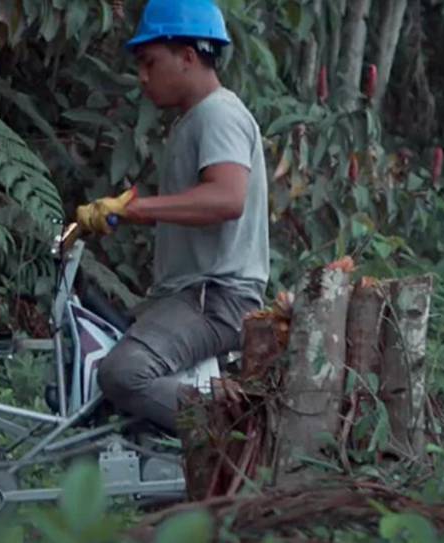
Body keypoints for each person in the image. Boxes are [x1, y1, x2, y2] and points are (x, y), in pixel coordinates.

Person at [75, 0, 270, 433]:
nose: (142, 76)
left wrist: (139, 208)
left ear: (187, 56)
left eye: (149, 62)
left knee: (124, 372)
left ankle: (235, 435)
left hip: (216, 299)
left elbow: (226, 198)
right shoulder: (194, 119)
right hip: (197, 296)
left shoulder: (218, 113)